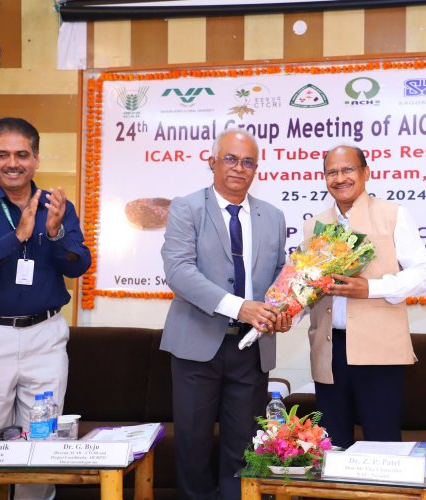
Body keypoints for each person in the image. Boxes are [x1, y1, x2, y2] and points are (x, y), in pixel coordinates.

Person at [0, 117, 91, 499]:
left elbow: (78, 264)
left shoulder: (58, 206)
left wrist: (57, 232)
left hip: (44, 338)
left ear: (36, 158)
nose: (13, 163)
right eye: (3, 155)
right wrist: (18, 237)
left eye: (22, 154)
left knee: (42, 448)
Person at [161, 129, 289, 500]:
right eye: (230, 159)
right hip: (196, 346)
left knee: (243, 448)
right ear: (212, 162)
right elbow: (179, 271)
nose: (239, 168)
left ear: (256, 169)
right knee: (193, 445)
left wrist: (284, 309)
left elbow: (282, 274)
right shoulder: (187, 207)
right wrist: (241, 307)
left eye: (248, 162)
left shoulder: (274, 216)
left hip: (251, 349)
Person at [303, 144, 426, 448]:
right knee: (330, 446)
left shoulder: (393, 214)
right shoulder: (314, 225)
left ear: (366, 172)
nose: (340, 178)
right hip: (329, 350)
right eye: (332, 172)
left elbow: (425, 273)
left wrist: (371, 289)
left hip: (379, 349)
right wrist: (285, 310)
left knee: (381, 444)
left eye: (348, 169)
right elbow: (309, 285)